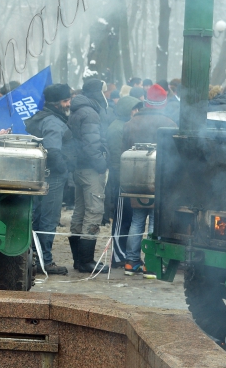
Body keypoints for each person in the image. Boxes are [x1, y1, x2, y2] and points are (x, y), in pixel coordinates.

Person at [122, 84, 177, 274]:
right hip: (159, 181)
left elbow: (123, 151)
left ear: (146, 101)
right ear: (163, 103)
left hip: (135, 180)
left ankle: (131, 262)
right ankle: (151, 263)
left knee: (137, 221)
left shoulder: (130, 123)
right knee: (155, 223)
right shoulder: (169, 124)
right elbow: (175, 156)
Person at [24, 84, 75, 276]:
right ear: (56, 103)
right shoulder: (53, 122)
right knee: (48, 219)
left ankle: (34, 258)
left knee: (37, 218)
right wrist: (64, 169)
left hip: (38, 175)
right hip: (51, 177)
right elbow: (53, 152)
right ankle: (45, 260)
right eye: (65, 100)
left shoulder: (41, 117)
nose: (69, 103)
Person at [68, 78, 110, 274]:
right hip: (91, 168)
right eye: (105, 90)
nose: (107, 94)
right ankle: (86, 261)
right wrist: (101, 164)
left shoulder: (78, 109)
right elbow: (91, 144)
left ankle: (78, 259)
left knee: (80, 211)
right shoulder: (91, 113)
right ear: (97, 92)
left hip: (79, 167)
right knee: (93, 211)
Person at [106, 95, 141, 269]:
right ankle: (118, 256)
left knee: (127, 217)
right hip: (120, 178)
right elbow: (116, 158)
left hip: (127, 177)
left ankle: (124, 254)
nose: (136, 112)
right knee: (121, 219)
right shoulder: (117, 128)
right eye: (134, 109)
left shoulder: (125, 126)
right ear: (127, 109)